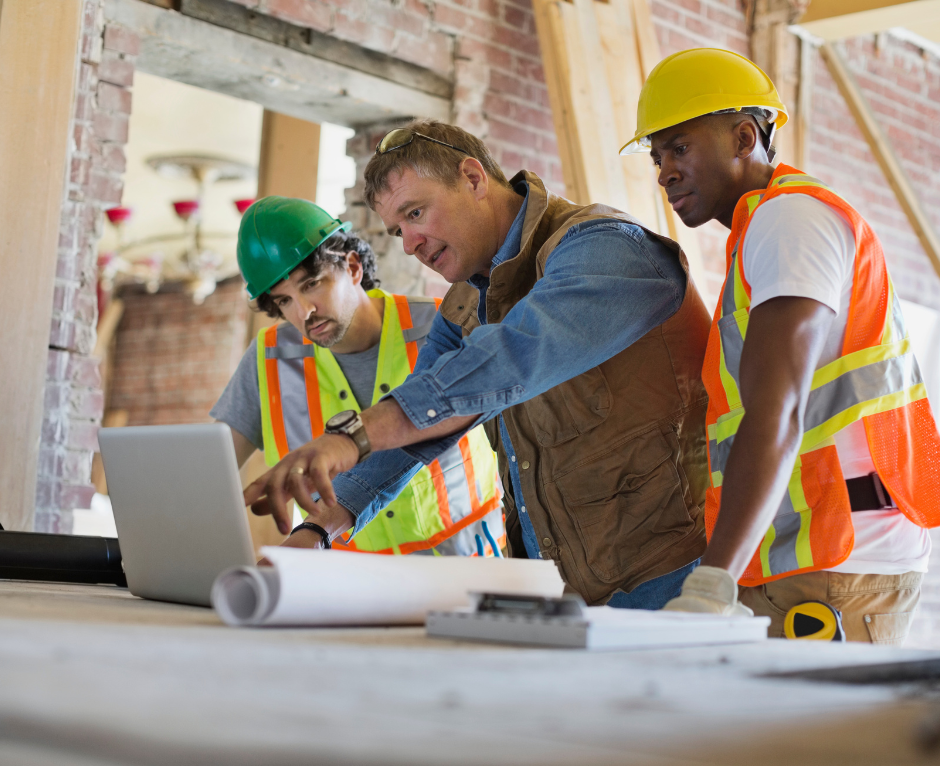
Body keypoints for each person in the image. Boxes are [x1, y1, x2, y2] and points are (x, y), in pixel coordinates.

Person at [244, 120, 713, 609]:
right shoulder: (465, 302)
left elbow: (511, 357)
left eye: (416, 212)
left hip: (676, 580)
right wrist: (317, 531)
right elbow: (419, 426)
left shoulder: (607, 249)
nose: (409, 243)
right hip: (562, 591)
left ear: (472, 177)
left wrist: (350, 436)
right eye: (397, 229)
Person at [621, 48, 940, 643]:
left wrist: (714, 580)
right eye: (656, 155)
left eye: (681, 147)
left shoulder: (790, 220)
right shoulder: (763, 229)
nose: (664, 171)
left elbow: (779, 411)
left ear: (745, 137)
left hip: (839, 565)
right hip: (816, 560)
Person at [211, 196, 504, 556]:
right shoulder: (268, 359)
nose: (305, 313)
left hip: (467, 567)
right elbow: (209, 468)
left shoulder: (441, 326)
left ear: (352, 267)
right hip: (347, 587)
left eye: (311, 284)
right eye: (284, 301)